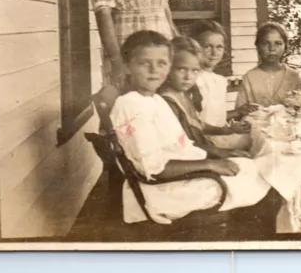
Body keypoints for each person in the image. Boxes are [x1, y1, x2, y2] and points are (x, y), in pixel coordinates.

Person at [109, 31, 270, 225]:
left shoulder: (155, 100)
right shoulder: (130, 105)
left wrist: (216, 157)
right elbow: (153, 169)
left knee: (257, 167)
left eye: (161, 63)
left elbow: (182, 145)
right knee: (264, 175)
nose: (153, 70)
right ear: (127, 66)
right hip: (163, 191)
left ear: (169, 67)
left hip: (184, 174)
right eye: (144, 63)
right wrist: (210, 164)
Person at [160, 36, 254, 154]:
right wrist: (220, 152)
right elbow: (180, 145)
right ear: (168, 67)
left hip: (203, 147)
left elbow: (199, 125)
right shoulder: (168, 101)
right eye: (181, 69)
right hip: (191, 155)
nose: (188, 77)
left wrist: (227, 130)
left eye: (195, 70)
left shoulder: (184, 93)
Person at [189, 20, 259, 127]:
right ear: (195, 48)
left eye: (219, 47)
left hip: (218, 133)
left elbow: (216, 117)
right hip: (202, 137)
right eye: (207, 46)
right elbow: (195, 120)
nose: (214, 52)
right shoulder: (193, 79)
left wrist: (238, 112)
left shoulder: (219, 80)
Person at [235, 22, 301, 108]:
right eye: (265, 43)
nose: (272, 48)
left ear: (285, 46)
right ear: (258, 46)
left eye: (277, 43)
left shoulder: (294, 76)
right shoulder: (249, 77)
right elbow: (240, 111)